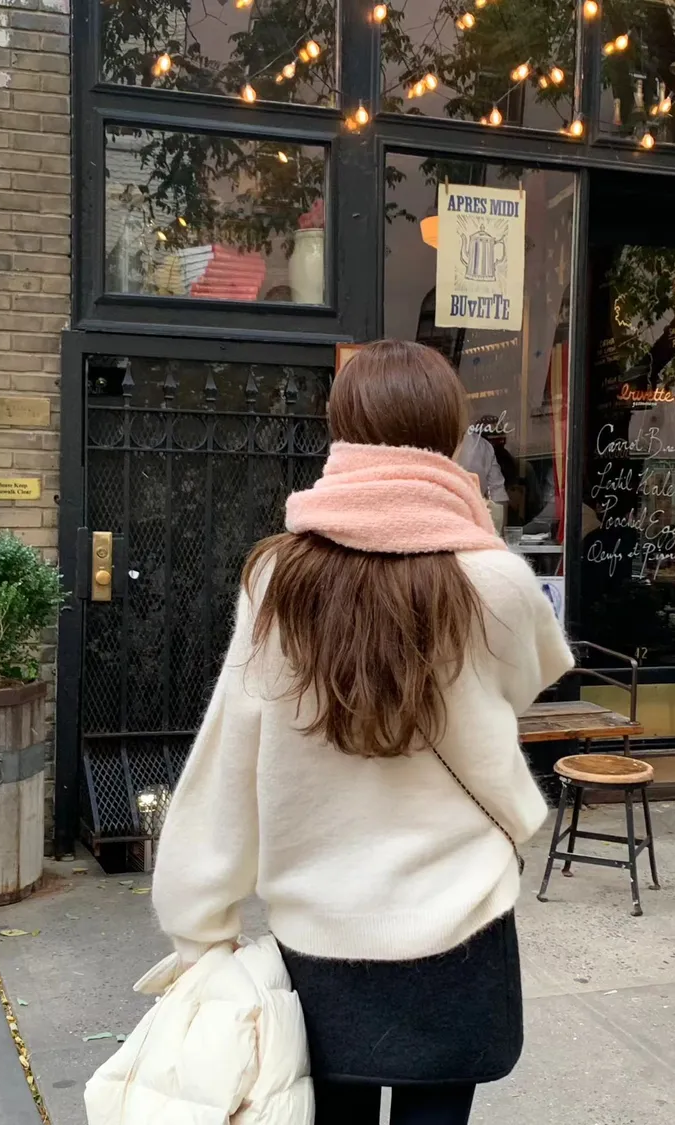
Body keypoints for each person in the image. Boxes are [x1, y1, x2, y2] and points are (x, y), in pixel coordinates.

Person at [152, 339, 575, 1125]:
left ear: (340, 427)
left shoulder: (279, 579)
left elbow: (228, 758)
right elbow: (535, 674)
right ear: (449, 433)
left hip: (321, 936)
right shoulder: (497, 581)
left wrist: (199, 923)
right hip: (460, 927)